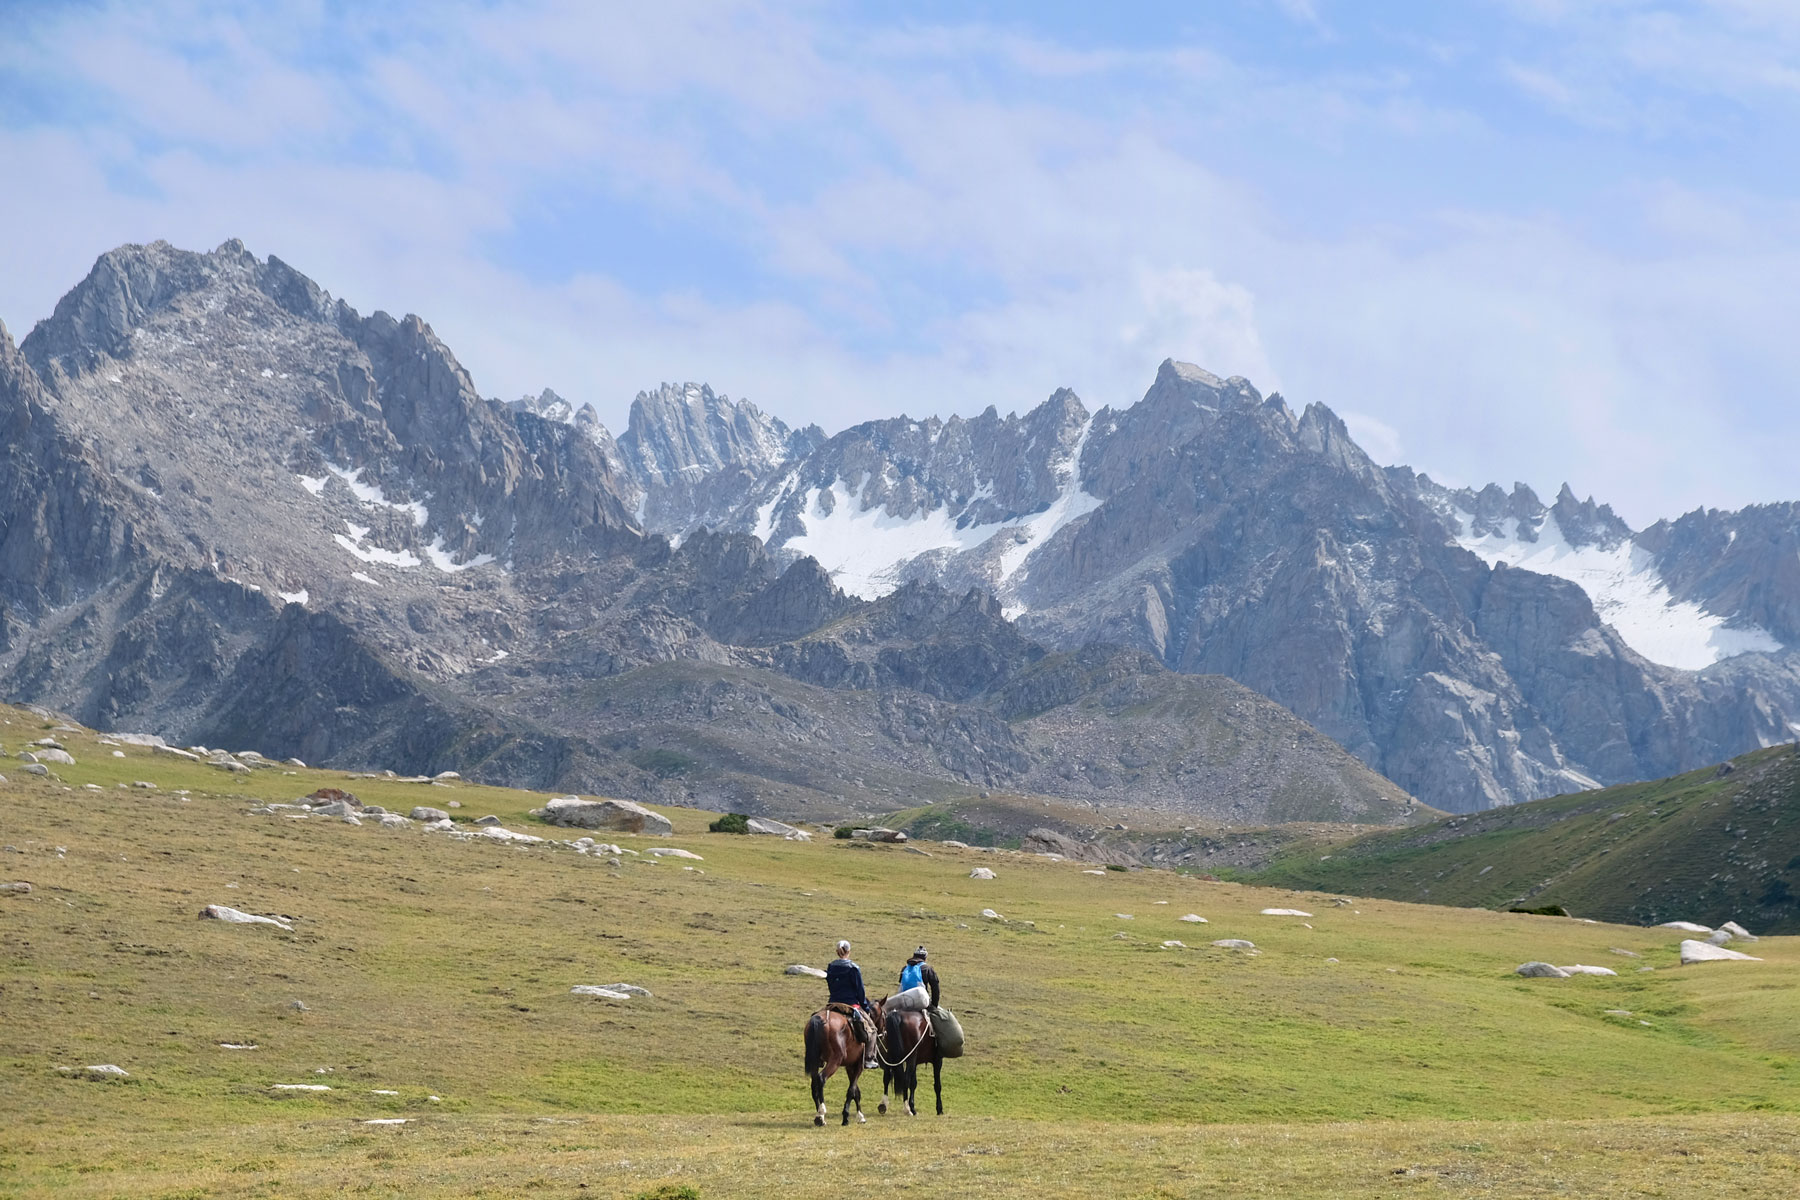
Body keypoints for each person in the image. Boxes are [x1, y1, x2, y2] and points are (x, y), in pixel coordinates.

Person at [824, 939, 878, 1066]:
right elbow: (860, 990)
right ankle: (869, 1058)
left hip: (833, 1003)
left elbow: (831, 986)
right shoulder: (853, 968)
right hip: (850, 1004)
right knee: (873, 1029)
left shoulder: (831, 967)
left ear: (837, 952)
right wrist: (865, 1006)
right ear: (849, 951)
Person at [889, 945, 940, 1011]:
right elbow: (935, 988)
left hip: (903, 1002)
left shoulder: (904, 969)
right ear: (925, 958)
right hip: (921, 1001)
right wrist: (934, 1006)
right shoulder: (927, 968)